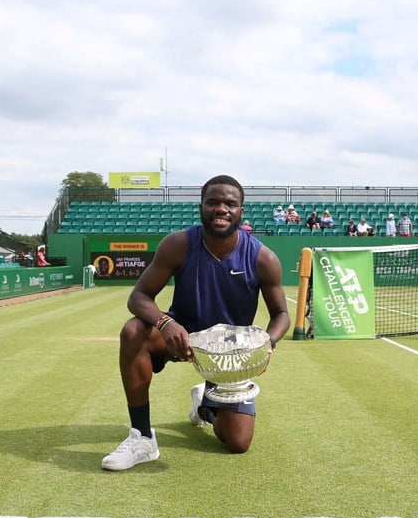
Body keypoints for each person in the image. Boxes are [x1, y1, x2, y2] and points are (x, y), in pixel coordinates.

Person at [101, 174, 290, 471]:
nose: (221, 209)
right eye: (213, 202)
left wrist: (267, 342)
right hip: (181, 339)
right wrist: (165, 323)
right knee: (134, 330)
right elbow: (139, 297)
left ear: (241, 211)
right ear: (201, 206)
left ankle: (205, 407)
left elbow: (281, 314)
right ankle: (142, 438)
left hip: (228, 355)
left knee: (238, 442)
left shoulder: (262, 258)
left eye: (230, 203)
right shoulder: (178, 244)